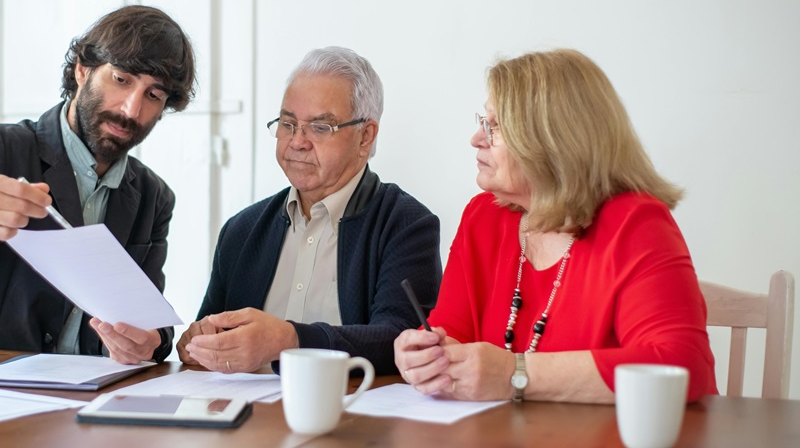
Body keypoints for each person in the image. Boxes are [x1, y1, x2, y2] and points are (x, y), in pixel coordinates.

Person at [395, 49, 718, 403]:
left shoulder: (636, 223)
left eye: (495, 126)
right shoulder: (483, 216)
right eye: (482, 121)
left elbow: (681, 365)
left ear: (550, 141)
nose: (476, 138)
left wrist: (514, 373)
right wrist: (426, 357)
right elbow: (453, 331)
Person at [0, 5, 195, 364]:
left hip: (94, 388)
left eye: (153, 95)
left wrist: (151, 341)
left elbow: (149, 316)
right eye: (121, 79)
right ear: (83, 70)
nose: (131, 109)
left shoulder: (153, 196)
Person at [176, 47, 442, 375]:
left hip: (350, 404)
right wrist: (198, 343)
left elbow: (402, 340)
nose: (297, 141)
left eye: (319, 127)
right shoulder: (242, 230)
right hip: (247, 407)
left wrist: (290, 339)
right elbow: (207, 335)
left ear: (365, 136)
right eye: (288, 124)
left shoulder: (406, 224)